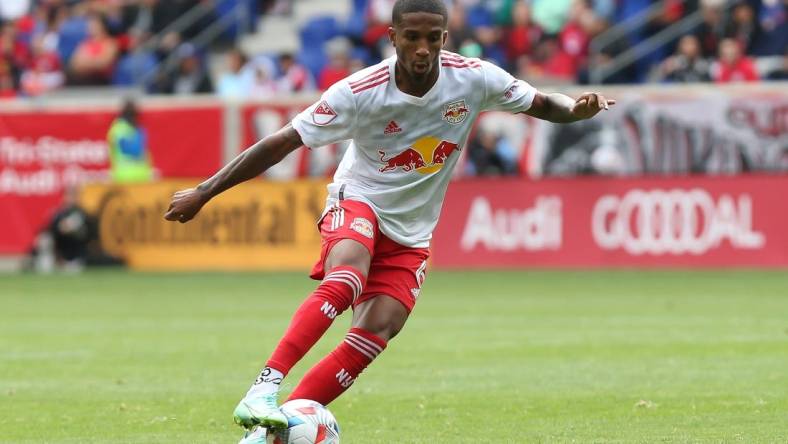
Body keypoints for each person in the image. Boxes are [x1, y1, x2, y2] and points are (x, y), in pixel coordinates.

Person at [163, 0, 614, 441]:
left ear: (444, 38)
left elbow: (541, 102)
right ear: (392, 37)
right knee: (349, 274)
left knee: (381, 326)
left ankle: (267, 433)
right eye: (412, 38)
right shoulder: (360, 91)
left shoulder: (473, 79)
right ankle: (263, 387)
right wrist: (205, 191)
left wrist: (574, 109)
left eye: (432, 39)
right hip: (359, 199)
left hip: (414, 230)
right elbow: (282, 142)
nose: (422, 48)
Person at [107, 98, 154, 183]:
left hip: (137, 176)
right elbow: (133, 150)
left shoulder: (118, 128)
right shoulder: (120, 128)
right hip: (126, 177)